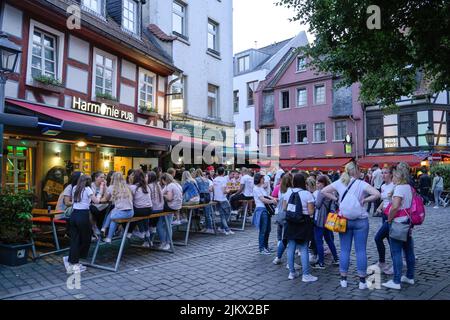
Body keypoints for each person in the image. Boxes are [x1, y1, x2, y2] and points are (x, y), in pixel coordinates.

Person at [321, 161, 380, 289]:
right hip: (361, 220)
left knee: (345, 250)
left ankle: (343, 279)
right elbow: (377, 194)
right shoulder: (362, 184)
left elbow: (324, 191)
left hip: (344, 220)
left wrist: (336, 199)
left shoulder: (339, 183)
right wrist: (365, 199)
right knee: (361, 251)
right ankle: (363, 282)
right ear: (357, 171)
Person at [382, 164, 415, 290]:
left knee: (396, 253)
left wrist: (389, 219)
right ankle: (409, 276)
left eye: (394, 174)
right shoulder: (409, 187)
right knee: (408, 251)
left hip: (398, 223)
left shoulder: (400, 188)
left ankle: (396, 281)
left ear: (399, 175)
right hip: (407, 222)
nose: (393, 177)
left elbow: (395, 206)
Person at [283, 173, 318, 282]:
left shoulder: (288, 193)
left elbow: (284, 208)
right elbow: (311, 212)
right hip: (304, 223)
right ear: (304, 182)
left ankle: (292, 273)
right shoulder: (307, 194)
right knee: (303, 248)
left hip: (290, 223)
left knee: (291, 247)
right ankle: (306, 275)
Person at [64, 174, 101, 273]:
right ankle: (74, 262)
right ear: (88, 182)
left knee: (75, 239)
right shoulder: (88, 189)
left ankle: (72, 261)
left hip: (74, 215)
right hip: (82, 216)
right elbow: (96, 201)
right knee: (86, 239)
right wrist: (100, 192)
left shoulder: (75, 188)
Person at [312, 175, 339, 269]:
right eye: (316, 182)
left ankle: (321, 263)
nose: (317, 184)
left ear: (323, 183)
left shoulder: (321, 192)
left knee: (319, 240)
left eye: (319, 182)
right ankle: (336, 258)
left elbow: (318, 205)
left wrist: (313, 202)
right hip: (329, 219)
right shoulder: (332, 191)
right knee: (329, 239)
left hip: (320, 219)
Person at [273, 173, 298, 268]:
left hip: (280, 216)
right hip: (287, 218)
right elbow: (286, 207)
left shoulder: (281, 190)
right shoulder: (291, 192)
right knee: (289, 240)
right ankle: (290, 263)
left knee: (284, 239)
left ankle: (278, 258)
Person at [101, 172, 134, 243]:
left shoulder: (111, 187)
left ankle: (106, 232)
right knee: (113, 212)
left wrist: (98, 199)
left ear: (112, 179)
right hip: (131, 212)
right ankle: (105, 230)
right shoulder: (127, 187)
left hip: (121, 213)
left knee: (113, 217)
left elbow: (105, 199)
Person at [373, 166, 395, 275]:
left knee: (378, 238)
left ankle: (389, 263)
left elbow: (395, 202)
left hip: (391, 216)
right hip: (384, 216)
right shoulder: (382, 186)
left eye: (386, 173)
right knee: (389, 240)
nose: (383, 175)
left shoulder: (394, 186)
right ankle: (384, 262)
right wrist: (379, 207)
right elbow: (385, 200)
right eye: (382, 173)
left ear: (391, 174)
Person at [252, 172, 277, 254]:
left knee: (267, 230)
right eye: (262, 178)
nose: (264, 179)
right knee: (263, 230)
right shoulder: (256, 188)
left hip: (265, 210)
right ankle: (262, 248)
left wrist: (273, 198)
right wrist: (272, 201)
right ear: (259, 179)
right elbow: (263, 199)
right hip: (261, 210)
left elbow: (267, 196)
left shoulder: (261, 188)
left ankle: (266, 247)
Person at [128, 169, 153, 246]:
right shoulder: (146, 186)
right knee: (142, 215)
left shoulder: (132, 187)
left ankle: (129, 232)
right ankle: (146, 232)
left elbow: (129, 200)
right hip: (149, 210)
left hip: (140, 211)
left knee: (131, 213)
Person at [148, 171, 170, 250]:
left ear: (149, 178)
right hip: (160, 209)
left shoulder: (148, 186)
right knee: (155, 224)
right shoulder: (158, 185)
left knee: (144, 221)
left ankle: (147, 239)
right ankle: (150, 239)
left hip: (154, 210)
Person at [213, 167, 234, 235]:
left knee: (222, 214)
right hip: (223, 199)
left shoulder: (215, 179)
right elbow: (224, 191)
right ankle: (226, 229)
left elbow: (213, 189)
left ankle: (222, 228)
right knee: (228, 213)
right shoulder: (223, 180)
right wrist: (228, 190)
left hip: (216, 198)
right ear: (224, 172)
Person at [194, 169, 215, 233]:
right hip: (207, 197)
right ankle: (208, 227)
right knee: (207, 213)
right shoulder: (206, 180)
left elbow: (197, 189)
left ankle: (209, 228)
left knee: (206, 213)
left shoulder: (198, 180)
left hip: (204, 197)